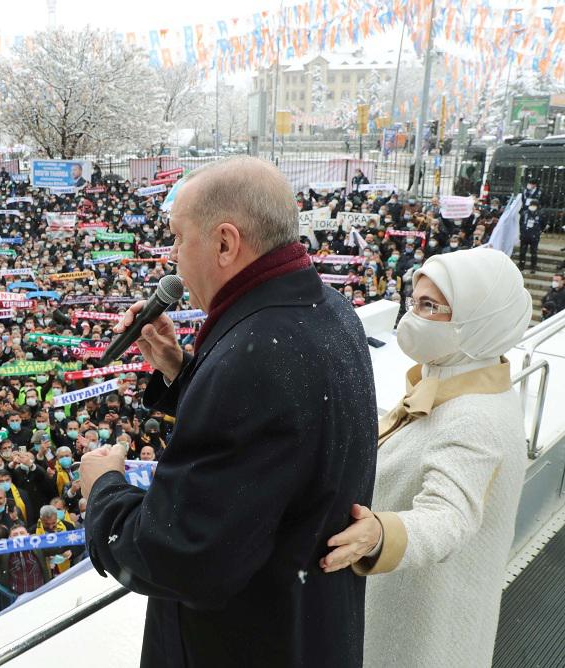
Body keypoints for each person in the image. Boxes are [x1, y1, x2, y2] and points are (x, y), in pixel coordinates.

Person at [80, 157, 378, 667]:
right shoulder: (329, 308)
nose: (172, 258)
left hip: (251, 642)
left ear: (224, 242)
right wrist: (181, 369)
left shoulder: (256, 354)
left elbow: (181, 556)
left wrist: (104, 491)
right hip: (310, 627)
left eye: (177, 238)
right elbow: (271, 442)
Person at [319, 248, 531, 668]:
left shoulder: (474, 416)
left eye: (430, 306)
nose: (410, 318)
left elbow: (449, 516)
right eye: (413, 302)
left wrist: (379, 535)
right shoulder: (454, 380)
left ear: (480, 319)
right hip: (409, 613)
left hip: (419, 637)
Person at [518, 200, 543, 273]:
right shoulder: (525, 213)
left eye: (534, 205)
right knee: (522, 252)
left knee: (534, 252)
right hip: (525, 236)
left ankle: (533, 267)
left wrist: (538, 232)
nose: (532, 207)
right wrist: (522, 232)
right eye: (531, 205)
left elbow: (543, 224)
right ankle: (521, 266)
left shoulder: (540, 214)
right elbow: (521, 223)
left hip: (534, 237)